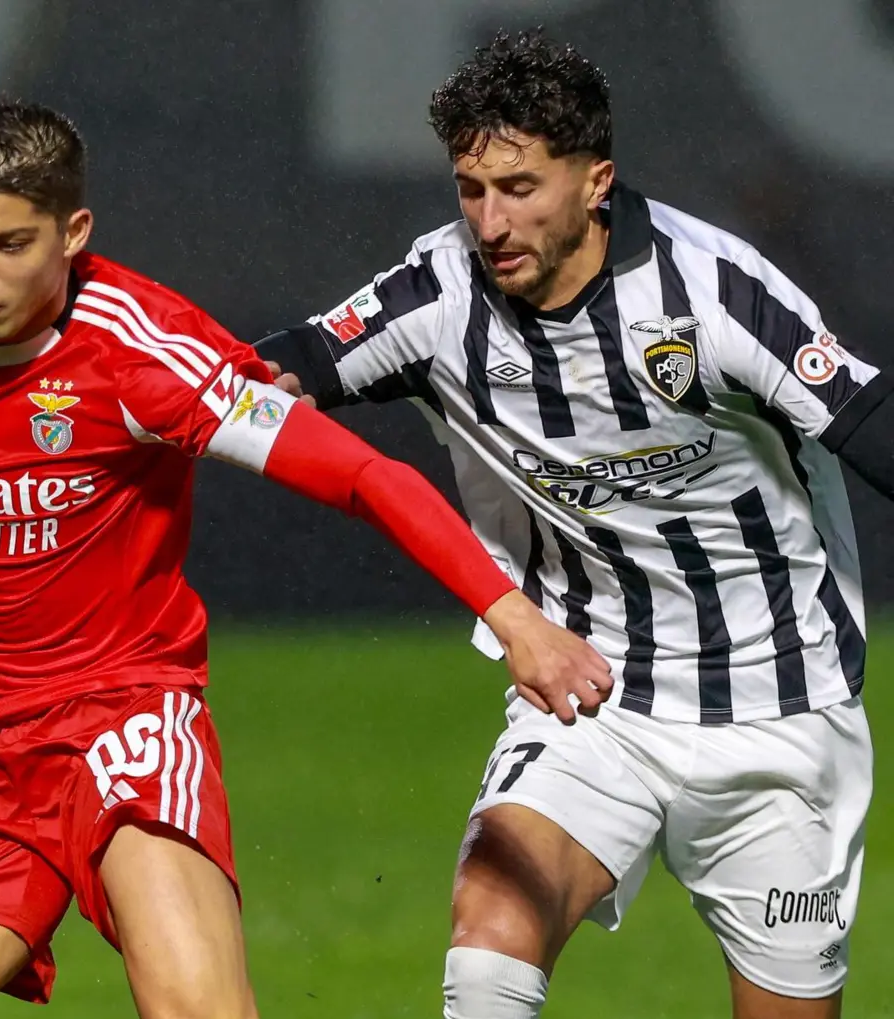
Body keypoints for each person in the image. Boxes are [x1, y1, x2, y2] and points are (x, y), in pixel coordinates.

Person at [0, 95, 607, 1019]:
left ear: (73, 232)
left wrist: (512, 615)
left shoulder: (147, 354)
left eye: (8, 245)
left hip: (123, 721)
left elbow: (363, 477)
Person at [257, 30, 894, 1019]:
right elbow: (285, 367)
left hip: (780, 707)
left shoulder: (713, 291)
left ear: (596, 180)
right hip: (593, 698)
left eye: (520, 186)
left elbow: (868, 421)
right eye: (472, 189)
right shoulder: (440, 295)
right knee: (488, 935)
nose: (491, 219)